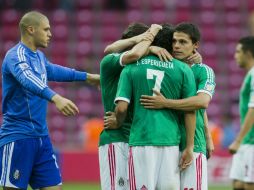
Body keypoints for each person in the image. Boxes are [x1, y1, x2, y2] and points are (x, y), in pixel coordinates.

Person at [0, 11, 99, 190]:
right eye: (46, 29)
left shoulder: (38, 56)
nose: (50, 34)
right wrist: (56, 97)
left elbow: (53, 70)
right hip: (18, 137)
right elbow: (27, 78)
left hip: (41, 138)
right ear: (31, 29)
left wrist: (87, 77)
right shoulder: (15, 56)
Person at [114, 25, 197, 190]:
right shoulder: (183, 70)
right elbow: (190, 109)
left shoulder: (131, 68)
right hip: (171, 142)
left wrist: (117, 121)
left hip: (141, 140)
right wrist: (189, 146)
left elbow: (121, 108)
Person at [140, 22, 216, 190]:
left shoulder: (203, 71)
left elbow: (201, 103)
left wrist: (207, 136)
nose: (176, 46)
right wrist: (151, 49)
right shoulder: (166, 66)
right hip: (167, 144)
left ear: (195, 45)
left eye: (183, 42)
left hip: (193, 145)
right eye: (174, 41)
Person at [99, 23, 160, 190]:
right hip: (116, 138)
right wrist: (149, 42)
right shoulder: (111, 61)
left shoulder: (142, 68)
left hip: (138, 140)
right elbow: (129, 53)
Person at [229, 36, 254, 190]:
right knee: (238, 184)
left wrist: (237, 140)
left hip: (252, 142)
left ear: (249, 53)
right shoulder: (250, 74)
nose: (235, 55)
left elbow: (253, 108)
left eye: (238, 51)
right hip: (247, 140)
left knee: (249, 185)